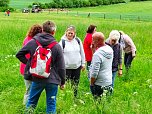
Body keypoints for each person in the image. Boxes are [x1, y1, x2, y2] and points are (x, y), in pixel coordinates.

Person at [16, 20, 65, 114]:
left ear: (42, 30)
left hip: (37, 78)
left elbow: (19, 54)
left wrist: (30, 64)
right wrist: (62, 82)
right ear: (54, 32)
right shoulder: (57, 46)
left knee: (31, 103)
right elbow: (61, 67)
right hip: (53, 80)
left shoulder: (33, 42)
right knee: (51, 104)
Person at [59, 25, 85, 97]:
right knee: (65, 84)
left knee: (75, 83)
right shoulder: (62, 42)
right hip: (66, 67)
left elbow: (82, 52)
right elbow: (59, 56)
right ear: (66, 33)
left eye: (71, 33)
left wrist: (83, 63)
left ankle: (74, 97)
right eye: (69, 33)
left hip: (77, 67)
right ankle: (66, 97)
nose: (70, 35)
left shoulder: (78, 41)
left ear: (74, 33)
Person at [20, 24, 42, 105]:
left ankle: (26, 105)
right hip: (31, 68)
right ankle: (28, 106)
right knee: (31, 90)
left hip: (24, 67)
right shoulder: (35, 42)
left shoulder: (27, 39)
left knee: (28, 88)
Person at [89, 32, 113, 99]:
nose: (92, 42)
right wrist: (93, 50)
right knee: (106, 103)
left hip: (99, 84)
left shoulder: (98, 54)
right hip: (108, 82)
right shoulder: (109, 49)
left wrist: (91, 83)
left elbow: (94, 72)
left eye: (93, 40)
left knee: (98, 105)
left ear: (98, 40)